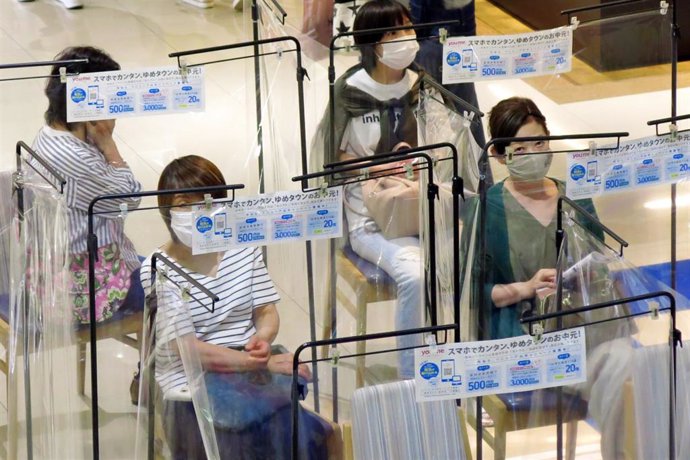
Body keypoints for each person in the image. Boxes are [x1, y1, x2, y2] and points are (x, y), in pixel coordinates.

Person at [470, 97, 635, 458]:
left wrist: (582, 277)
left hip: (581, 325)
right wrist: (526, 288)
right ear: (500, 156)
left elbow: (599, 262)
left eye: (540, 143)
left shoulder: (574, 195)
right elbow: (473, 293)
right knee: (609, 374)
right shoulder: (485, 209)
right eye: (521, 148)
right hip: (523, 335)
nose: (534, 153)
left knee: (627, 365)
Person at [140, 155, 330, 459]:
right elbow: (186, 349)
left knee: (298, 434)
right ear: (166, 211)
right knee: (238, 445)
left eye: (207, 201)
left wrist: (262, 340)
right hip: (190, 386)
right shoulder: (157, 267)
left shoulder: (242, 246)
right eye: (183, 204)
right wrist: (259, 363)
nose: (196, 212)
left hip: (249, 374)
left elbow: (265, 311)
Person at [315, 0, 426, 379]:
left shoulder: (419, 83)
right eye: (394, 33)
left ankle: (451, 366)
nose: (406, 39)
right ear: (373, 43)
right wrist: (377, 167)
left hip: (420, 205)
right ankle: (414, 378)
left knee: (465, 259)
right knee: (416, 275)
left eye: (408, 28)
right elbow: (329, 161)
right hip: (369, 218)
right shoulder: (350, 90)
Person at [31, 46, 143, 325]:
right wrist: (109, 146)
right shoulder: (75, 158)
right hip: (87, 288)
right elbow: (129, 200)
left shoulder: (49, 135)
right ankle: (155, 368)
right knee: (173, 283)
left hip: (56, 272)